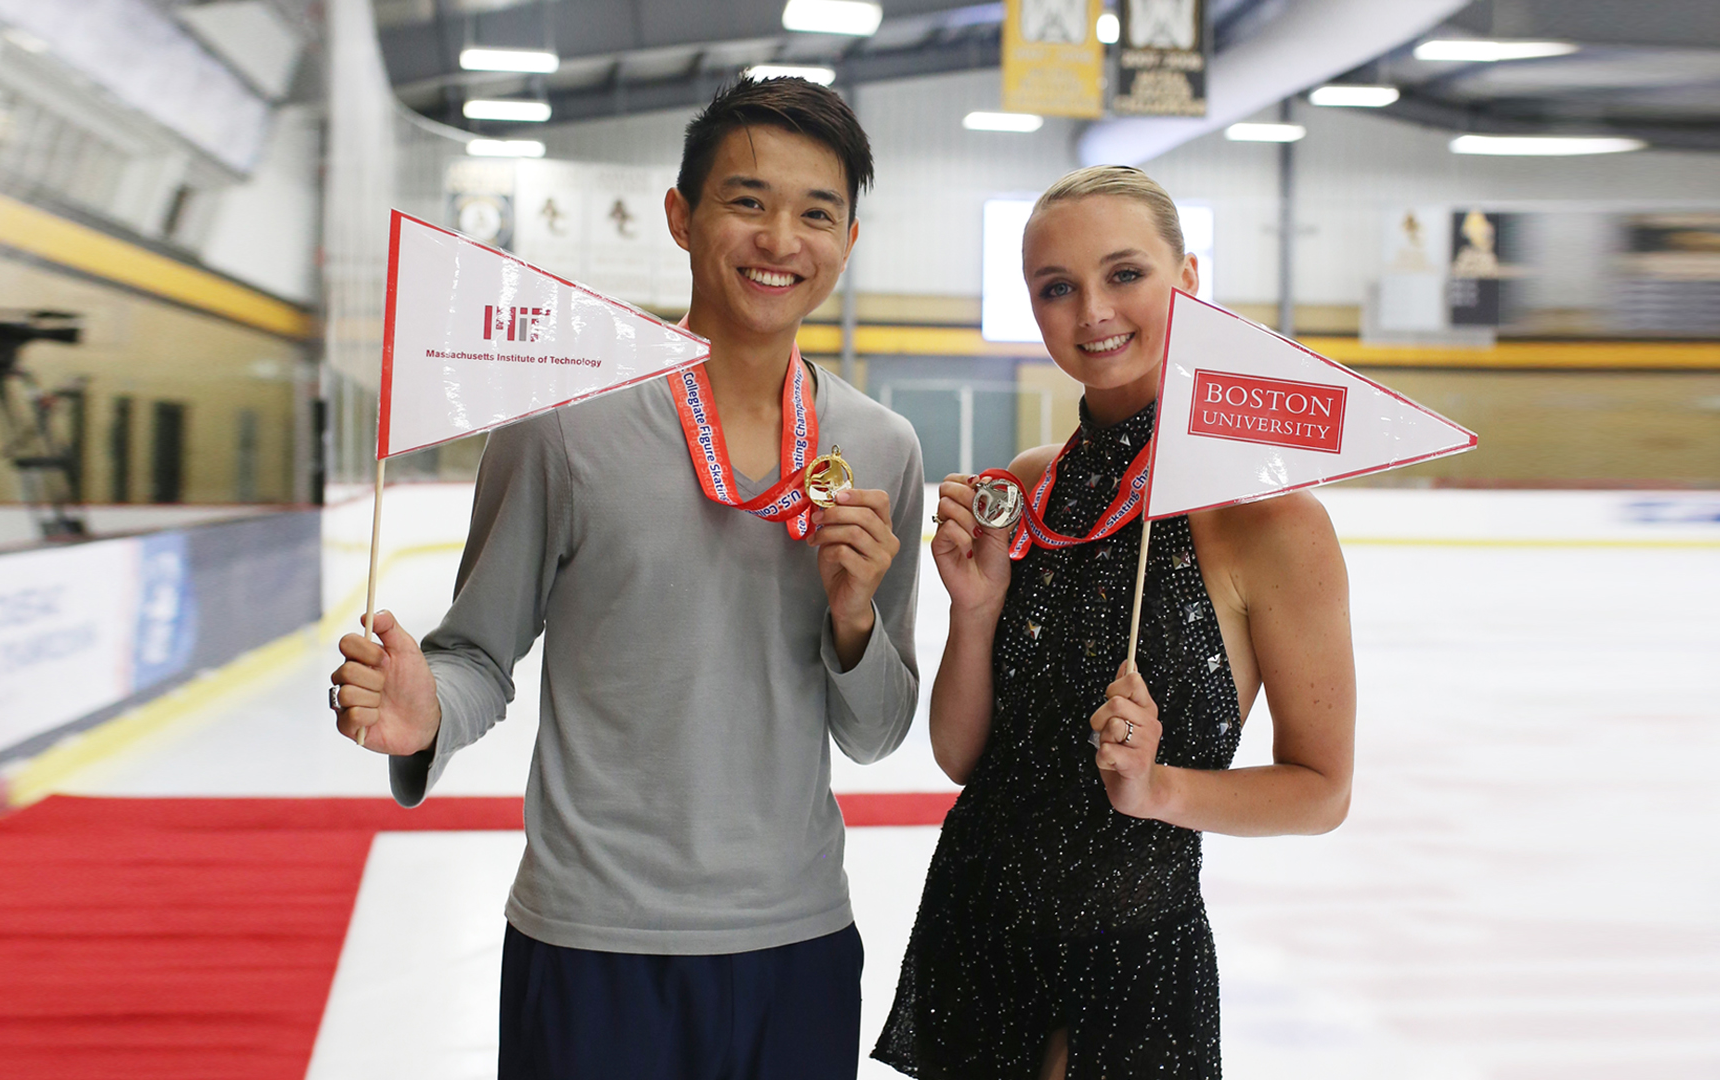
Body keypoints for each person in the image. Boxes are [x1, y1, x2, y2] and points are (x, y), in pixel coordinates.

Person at [329, 77, 925, 1079]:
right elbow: (477, 651)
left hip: (797, 939)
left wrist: (855, 619)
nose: (780, 237)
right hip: (590, 939)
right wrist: (425, 710)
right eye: (747, 201)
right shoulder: (566, 423)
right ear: (680, 217)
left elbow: (873, 733)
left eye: (815, 213)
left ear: (847, 243)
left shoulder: (879, 449)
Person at [873, 166, 1355, 1079]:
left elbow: (1321, 790)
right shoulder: (1028, 487)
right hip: (974, 932)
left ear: (1188, 278)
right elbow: (965, 760)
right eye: (1056, 288)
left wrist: (1158, 789)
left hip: (1131, 958)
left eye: (1124, 274)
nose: (1091, 310)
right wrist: (973, 615)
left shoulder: (1269, 521)